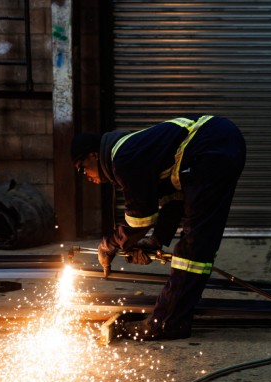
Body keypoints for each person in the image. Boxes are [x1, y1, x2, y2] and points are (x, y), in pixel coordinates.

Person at [70, 115, 246, 341]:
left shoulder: (122, 159)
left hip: (211, 149)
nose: (87, 177)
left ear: (93, 155)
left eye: (83, 169)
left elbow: (140, 219)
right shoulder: (133, 150)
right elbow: (174, 199)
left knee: (193, 251)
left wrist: (110, 244)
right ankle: (172, 318)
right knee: (197, 243)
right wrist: (156, 241)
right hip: (218, 144)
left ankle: (166, 323)